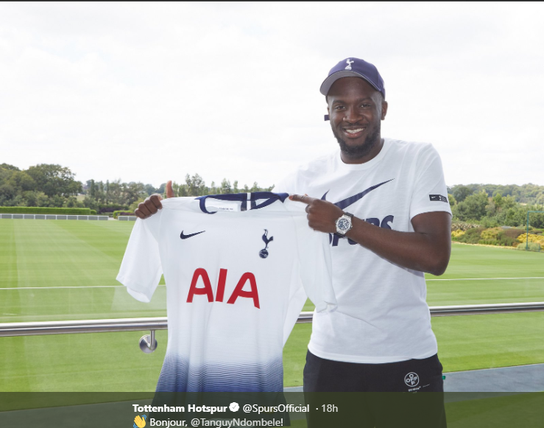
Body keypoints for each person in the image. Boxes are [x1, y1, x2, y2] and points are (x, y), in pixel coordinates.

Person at [135, 58, 452, 427]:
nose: (352, 115)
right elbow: (246, 235)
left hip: (406, 357)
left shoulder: (416, 159)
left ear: (384, 107)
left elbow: (435, 256)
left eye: (364, 104)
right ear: (327, 114)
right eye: (340, 106)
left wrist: (343, 223)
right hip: (330, 361)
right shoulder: (303, 177)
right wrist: (173, 214)